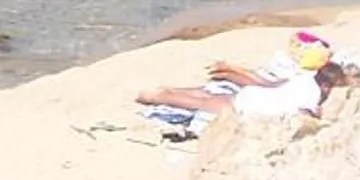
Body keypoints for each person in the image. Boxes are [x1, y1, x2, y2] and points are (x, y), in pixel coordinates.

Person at [137, 35, 345, 122]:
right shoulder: (312, 95)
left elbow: (266, 83)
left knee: (204, 97)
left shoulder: (304, 79)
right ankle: (155, 96)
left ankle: (165, 91)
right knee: (199, 102)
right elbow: (304, 113)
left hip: (254, 96)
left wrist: (234, 73)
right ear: (327, 86)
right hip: (251, 106)